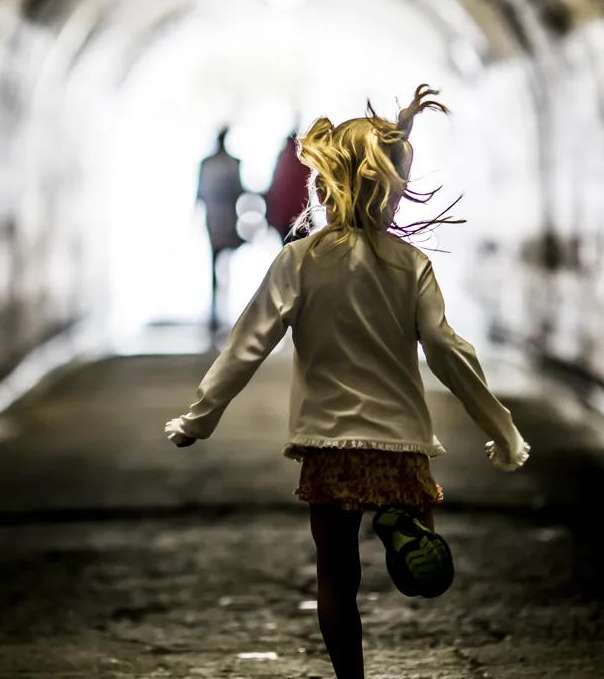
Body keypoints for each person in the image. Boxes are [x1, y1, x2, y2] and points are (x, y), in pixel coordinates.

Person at [164, 85, 530, 679]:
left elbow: (247, 345)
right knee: (421, 575)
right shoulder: (409, 264)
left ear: (324, 186)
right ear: (393, 191)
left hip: (329, 445)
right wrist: (503, 427)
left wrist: (198, 418)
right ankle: (400, 524)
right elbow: (446, 350)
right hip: (401, 444)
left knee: (335, 577)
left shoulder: (301, 260)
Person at [196, 127, 246, 331]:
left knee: (215, 262)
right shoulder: (233, 163)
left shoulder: (207, 164)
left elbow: (199, 193)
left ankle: (217, 308)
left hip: (214, 219)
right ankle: (220, 306)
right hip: (226, 218)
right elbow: (240, 191)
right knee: (223, 263)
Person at [264, 131, 313, 244]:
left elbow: (275, 188)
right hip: (300, 217)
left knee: (290, 250)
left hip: (287, 217)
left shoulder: (283, 159)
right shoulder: (303, 161)